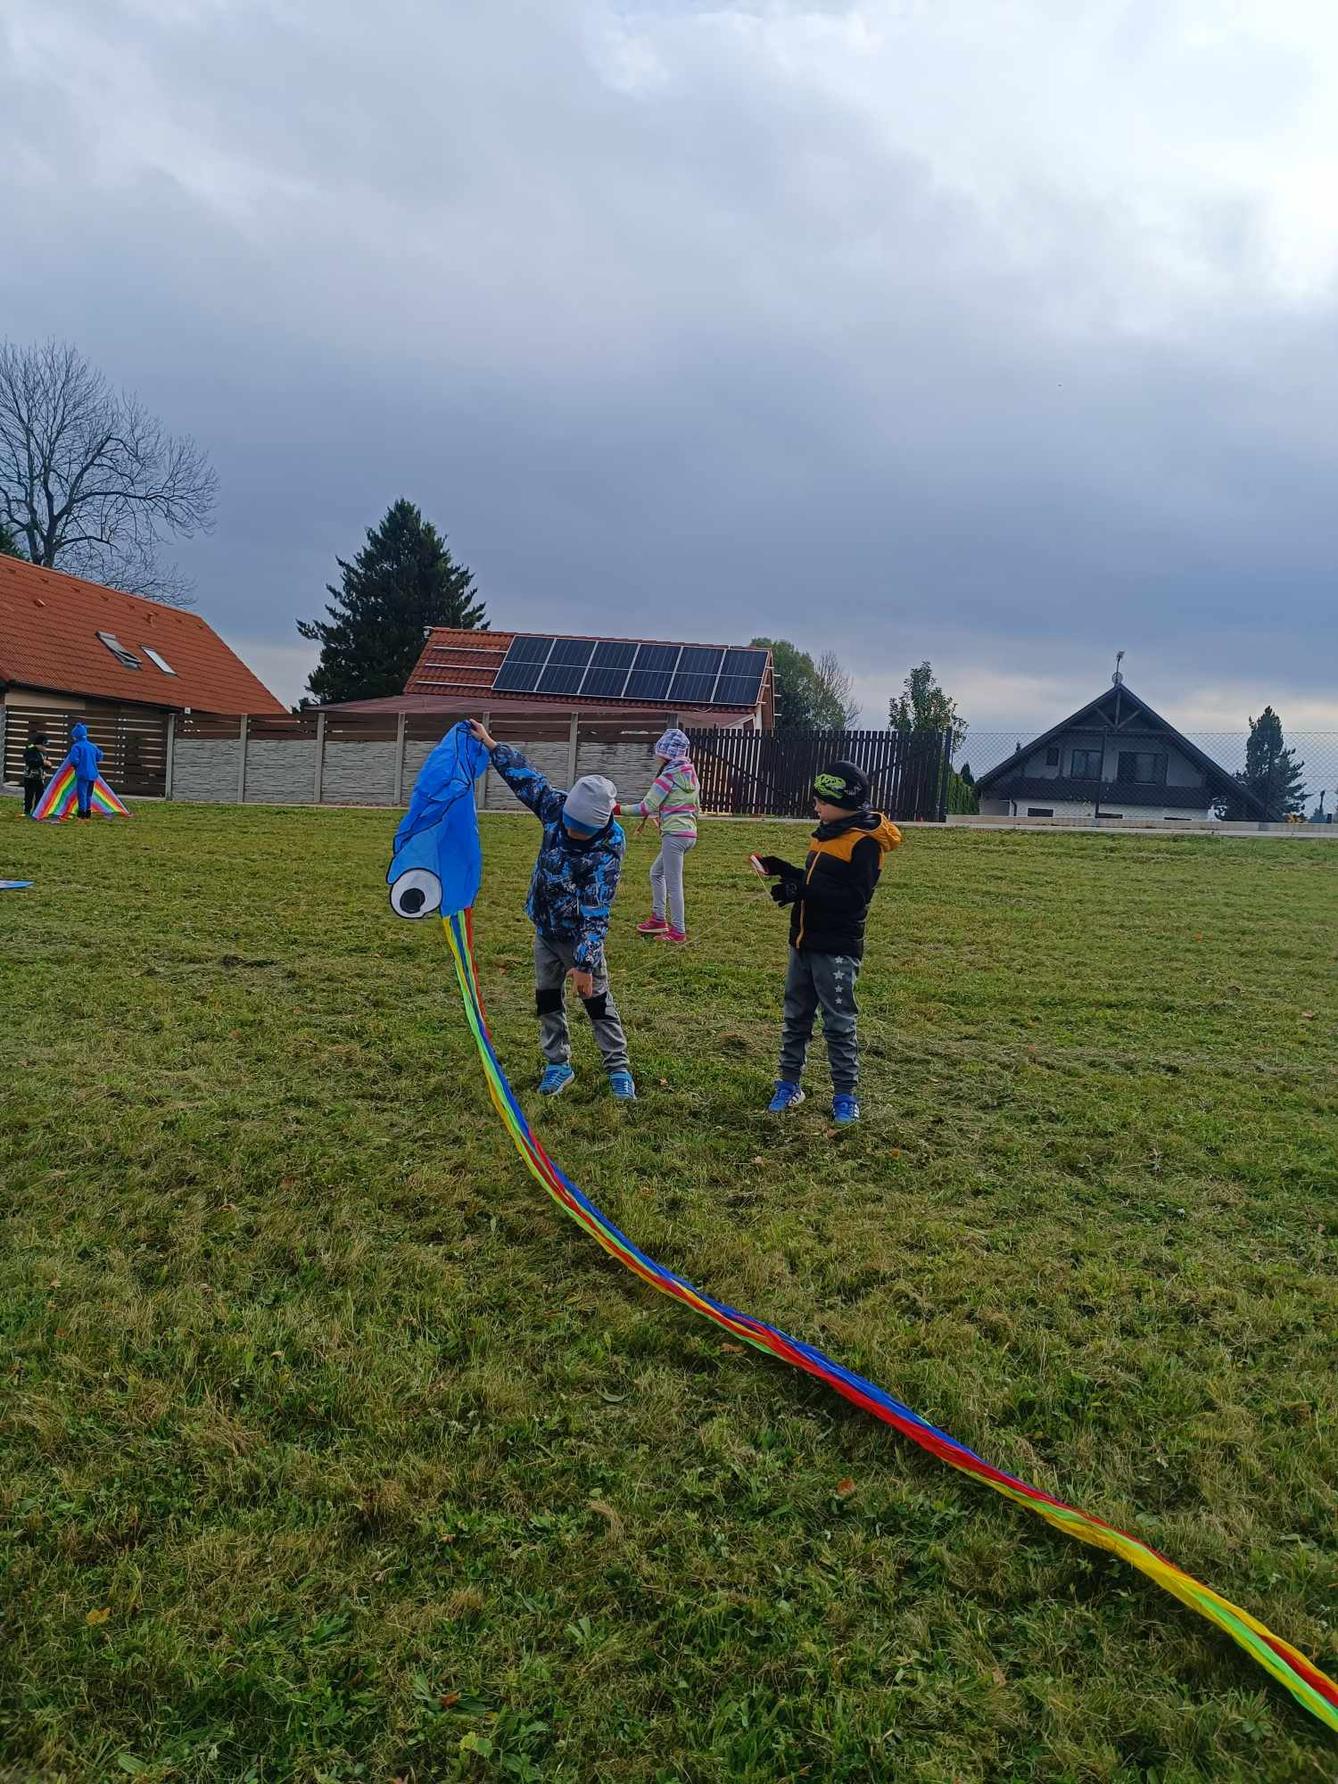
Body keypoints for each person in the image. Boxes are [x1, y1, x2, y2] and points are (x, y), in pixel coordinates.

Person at [467, 719, 635, 1101]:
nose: (569, 832)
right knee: (547, 998)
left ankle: (618, 1068)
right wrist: (491, 744)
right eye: (568, 825)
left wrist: (585, 964)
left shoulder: (606, 851)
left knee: (596, 1001)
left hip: (579, 937)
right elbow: (527, 779)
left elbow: (597, 911)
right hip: (545, 927)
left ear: (599, 825)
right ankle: (557, 1063)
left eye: (578, 830)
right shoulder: (556, 809)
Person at [754, 759, 902, 1126]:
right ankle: (789, 1085)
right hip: (802, 942)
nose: (816, 807)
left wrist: (803, 891)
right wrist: (785, 871)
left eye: (821, 800)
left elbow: (854, 899)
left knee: (838, 1023)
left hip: (835, 948)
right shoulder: (826, 832)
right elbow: (821, 881)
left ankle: (845, 1095)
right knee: (796, 1017)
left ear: (845, 802)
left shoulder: (864, 843)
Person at [619, 728, 701, 944]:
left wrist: (617, 809)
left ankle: (678, 932)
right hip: (688, 834)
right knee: (656, 873)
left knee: (674, 884)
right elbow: (694, 807)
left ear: (666, 753)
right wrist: (668, 820)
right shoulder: (691, 774)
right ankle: (658, 919)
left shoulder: (667, 777)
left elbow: (646, 807)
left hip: (674, 836)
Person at [68, 722, 104, 820]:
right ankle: (88, 812)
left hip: (82, 773)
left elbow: (74, 760)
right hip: (93, 774)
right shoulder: (92, 746)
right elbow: (100, 756)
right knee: (89, 794)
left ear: (75, 736)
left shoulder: (76, 746)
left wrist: (76, 765)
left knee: (82, 794)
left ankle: (81, 814)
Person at [21, 733, 49, 818]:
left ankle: (37, 811)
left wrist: (47, 765)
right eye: (44, 746)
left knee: (40, 795)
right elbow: (31, 763)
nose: (45, 748)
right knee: (29, 795)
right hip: (30, 778)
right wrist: (42, 762)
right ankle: (27, 811)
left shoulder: (42, 753)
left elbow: (42, 764)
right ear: (39, 744)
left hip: (39, 778)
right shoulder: (30, 751)